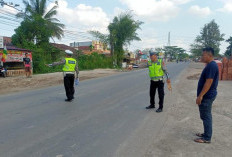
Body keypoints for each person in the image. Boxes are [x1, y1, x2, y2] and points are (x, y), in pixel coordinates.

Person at [194, 47, 219, 144]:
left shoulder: (211, 66)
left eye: (203, 55)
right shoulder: (209, 65)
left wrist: (200, 96)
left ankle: (207, 138)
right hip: (207, 95)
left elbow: (209, 82)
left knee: (206, 116)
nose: (202, 56)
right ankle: (205, 134)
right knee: (205, 115)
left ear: (209, 55)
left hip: (207, 96)